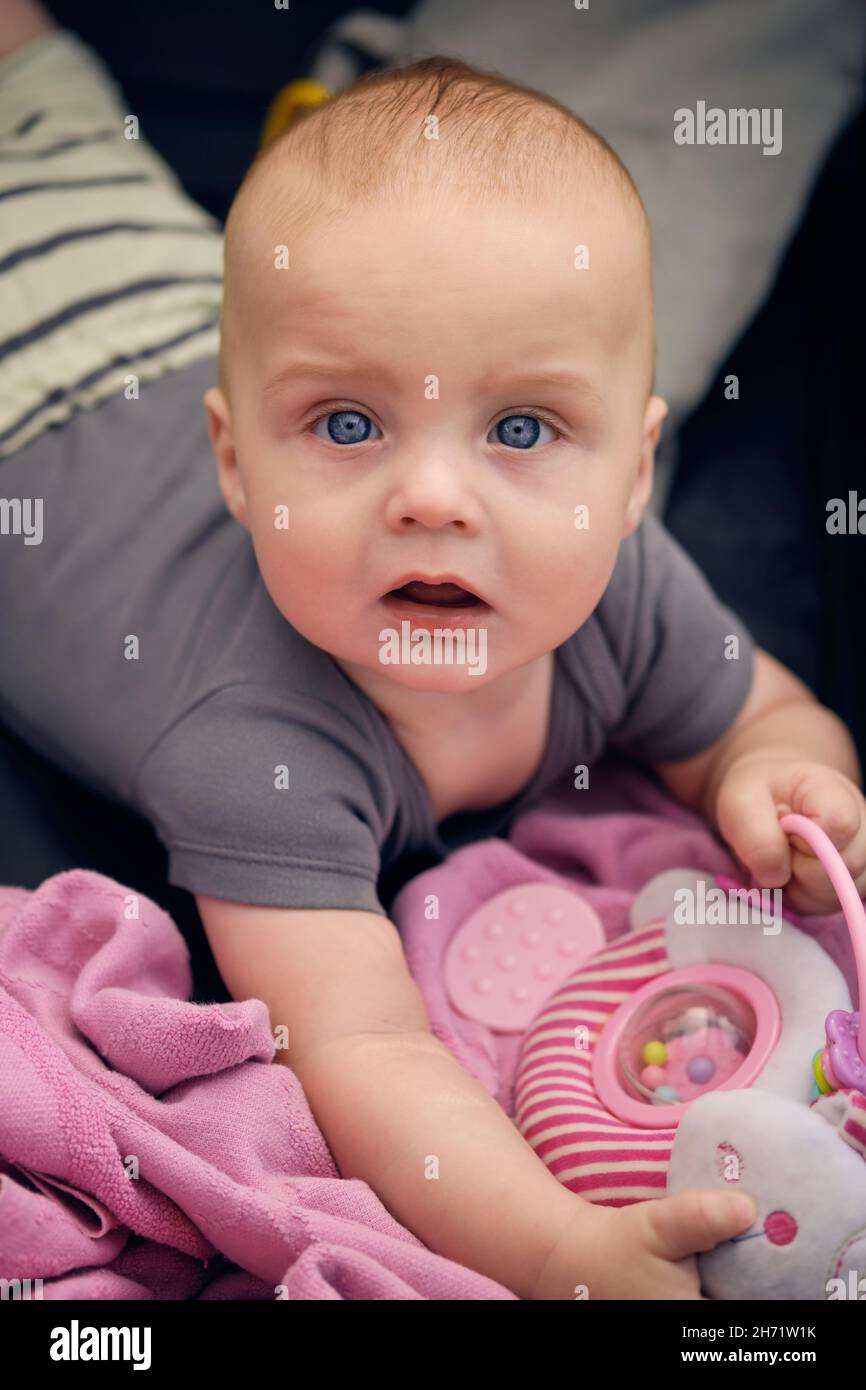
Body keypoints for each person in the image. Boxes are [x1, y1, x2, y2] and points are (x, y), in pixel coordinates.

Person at [2, 1, 865, 1298]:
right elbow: (365, 1054)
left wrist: (777, 775)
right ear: (236, 465)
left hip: (156, 280)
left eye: (520, 430)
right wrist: (562, 1249)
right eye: (346, 425)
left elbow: (766, 717)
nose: (434, 498)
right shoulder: (252, 742)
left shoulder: (622, 591)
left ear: (635, 473)